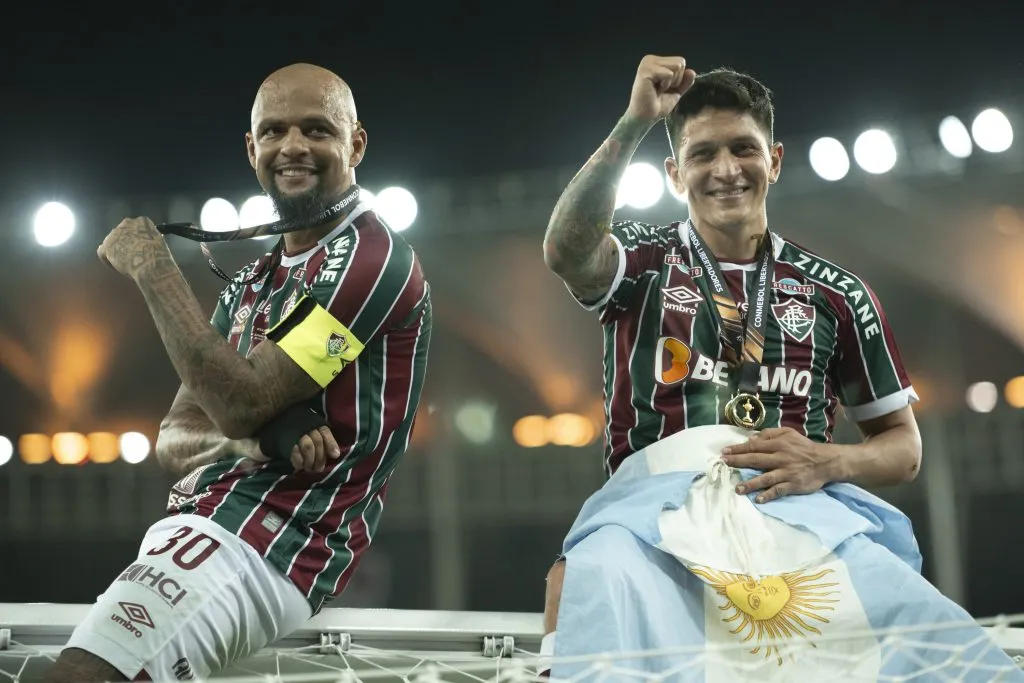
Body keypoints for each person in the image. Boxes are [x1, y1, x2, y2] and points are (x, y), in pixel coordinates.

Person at [538, 55, 1020, 680]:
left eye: (744, 149)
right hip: (653, 518)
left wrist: (831, 460)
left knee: (948, 651)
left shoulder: (837, 294)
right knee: (584, 581)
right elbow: (565, 250)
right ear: (674, 174)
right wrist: (635, 120)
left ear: (776, 161)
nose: (725, 169)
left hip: (799, 517)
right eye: (703, 154)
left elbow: (904, 448)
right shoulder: (642, 266)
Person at [45, 62, 432, 683]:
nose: (293, 146)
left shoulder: (373, 258)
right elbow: (174, 438)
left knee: (78, 676)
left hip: (266, 542)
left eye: (317, 130)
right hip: (198, 529)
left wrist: (154, 270)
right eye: (274, 131)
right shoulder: (256, 280)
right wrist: (246, 439)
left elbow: (242, 399)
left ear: (356, 143)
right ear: (252, 148)